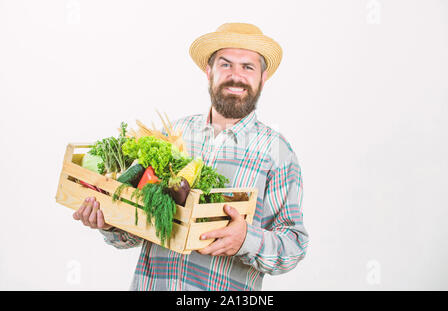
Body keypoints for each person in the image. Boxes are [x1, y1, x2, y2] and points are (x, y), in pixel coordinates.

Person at [73, 22, 309, 291]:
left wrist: (246, 239)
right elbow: (136, 230)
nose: (236, 75)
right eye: (225, 64)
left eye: (248, 67)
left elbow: (294, 245)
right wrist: (109, 222)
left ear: (262, 78)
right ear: (208, 71)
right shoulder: (174, 134)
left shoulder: (277, 152)